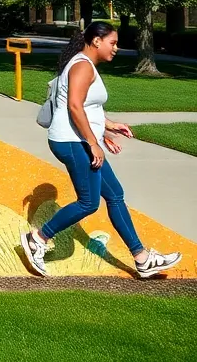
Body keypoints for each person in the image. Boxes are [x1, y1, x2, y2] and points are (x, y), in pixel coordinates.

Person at [21, 23, 181, 279]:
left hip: (80, 139)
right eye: (112, 42)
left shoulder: (85, 64)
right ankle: (37, 239)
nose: (116, 48)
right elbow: (74, 106)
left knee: (115, 194)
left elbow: (87, 107)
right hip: (72, 142)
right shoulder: (82, 65)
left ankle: (142, 258)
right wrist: (93, 142)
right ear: (96, 41)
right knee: (88, 202)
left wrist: (107, 128)